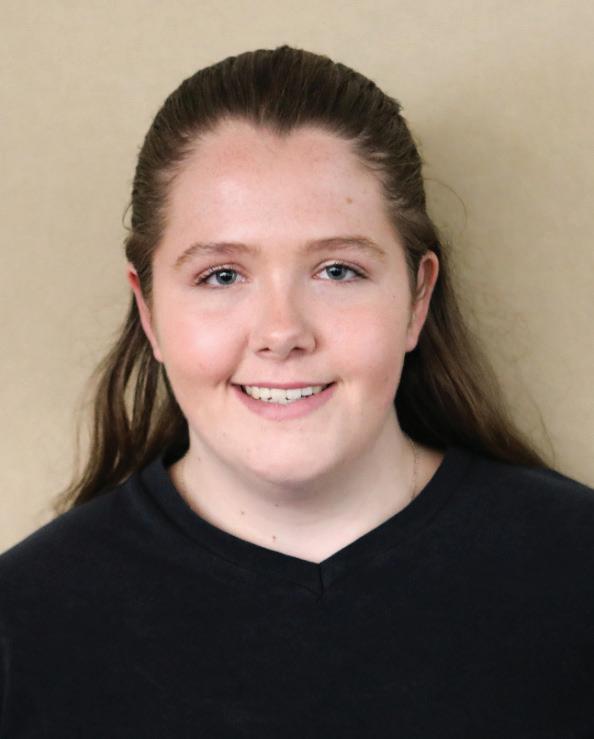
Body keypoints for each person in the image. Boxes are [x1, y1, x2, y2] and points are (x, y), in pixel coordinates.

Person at [0, 45, 592, 738]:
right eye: (222, 276)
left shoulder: (577, 571)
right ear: (150, 311)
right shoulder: (23, 625)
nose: (282, 333)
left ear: (417, 298)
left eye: (338, 270)